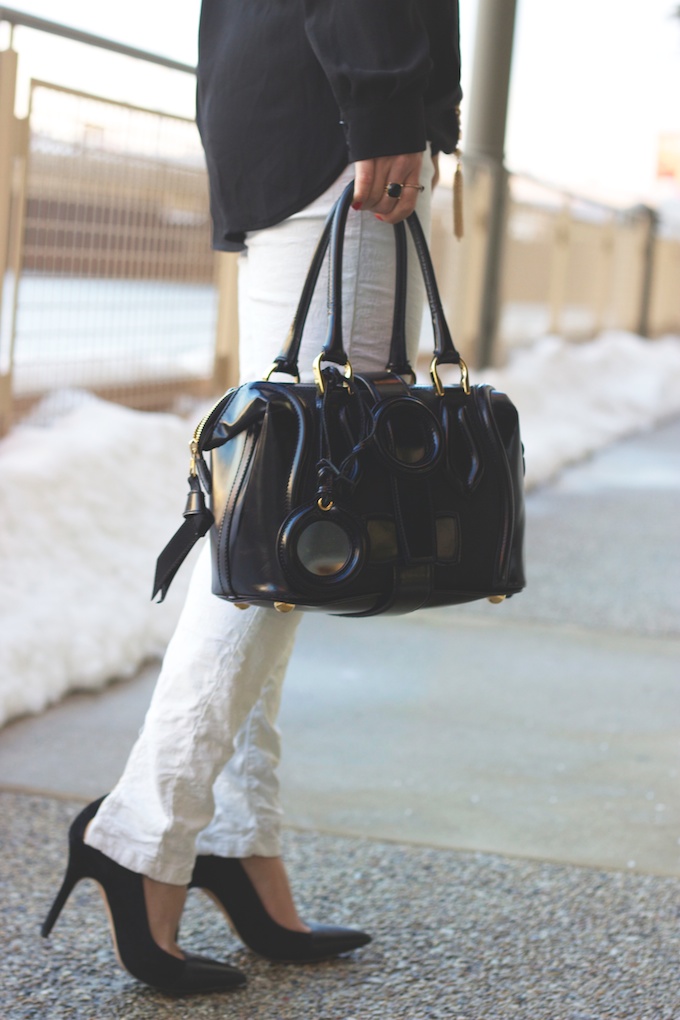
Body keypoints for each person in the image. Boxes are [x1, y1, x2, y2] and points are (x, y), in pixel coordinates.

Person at [42, 0, 462, 995]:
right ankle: (143, 836)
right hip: (336, 123)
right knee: (285, 517)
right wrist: (381, 102)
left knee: (291, 511)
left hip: (308, 110)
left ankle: (234, 838)